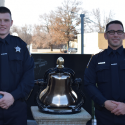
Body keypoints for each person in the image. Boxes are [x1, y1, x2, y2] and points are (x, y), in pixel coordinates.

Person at [84, 20, 125, 125]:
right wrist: (104, 102)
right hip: (104, 115)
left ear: (123, 35)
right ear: (106, 35)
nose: (115, 35)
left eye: (119, 32)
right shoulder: (96, 59)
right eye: (111, 32)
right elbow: (89, 83)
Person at [0, 7, 34, 125]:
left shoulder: (21, 45)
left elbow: (29, 76)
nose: (2, 24)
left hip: (16, 107)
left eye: (5, 20)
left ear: (11, 22)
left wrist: (13, 96)